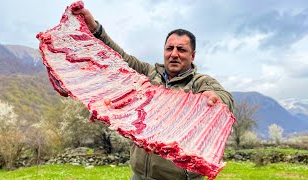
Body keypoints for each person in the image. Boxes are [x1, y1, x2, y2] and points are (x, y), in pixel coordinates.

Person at [73, 8, 234, 180]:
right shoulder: (149, 74)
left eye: (181, 49)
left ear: (192, 55)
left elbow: (224, 98)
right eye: (169, 48)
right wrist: (96, 30)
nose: (174, 54)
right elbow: (120, 58)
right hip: (139, 175)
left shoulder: (199, 82)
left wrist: (215, 98)